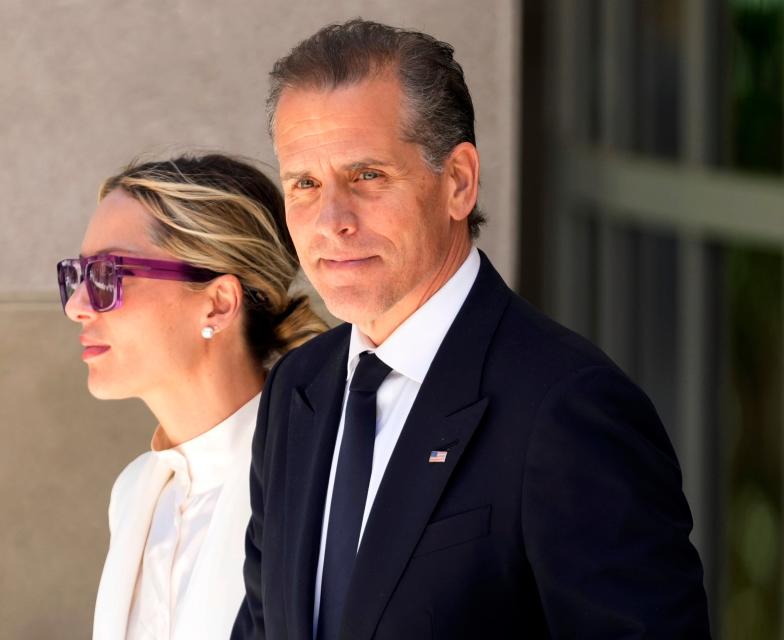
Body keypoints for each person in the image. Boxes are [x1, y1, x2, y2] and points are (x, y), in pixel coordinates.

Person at [232, 19, 710, 639]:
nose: (331, 221)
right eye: (305, 183)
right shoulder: (299, 389)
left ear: (457, 181)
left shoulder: (567, 409)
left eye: (368, 176)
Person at [57, 153, 326, 640]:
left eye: (107, 276)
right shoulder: (135, 492)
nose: (77, 306)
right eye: (78, 277)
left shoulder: (317, 479)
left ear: (218, 303)